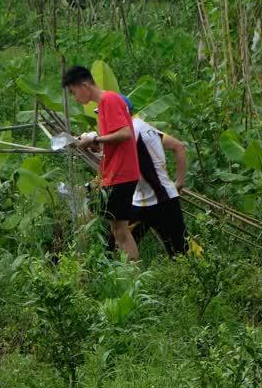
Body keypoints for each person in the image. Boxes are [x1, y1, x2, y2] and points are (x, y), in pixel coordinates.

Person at [61, 65, 141, 261]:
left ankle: (133, 276)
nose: (75, 98)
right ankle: (131, 274)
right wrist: (92, 145)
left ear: (84, 85)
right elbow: (115, 140)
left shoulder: (108, 100)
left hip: (121, 174)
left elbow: (125, 134)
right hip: (117, 172)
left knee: (120, 230)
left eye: (73, 92)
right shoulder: (105, 103)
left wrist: (94, 140)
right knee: (117, 229)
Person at [131, 115, 189, 256]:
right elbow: (179, 146)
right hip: (156, 198)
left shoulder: (131, 129)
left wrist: (94, 141)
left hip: (156, 200)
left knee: (119, 243)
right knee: (180, 252)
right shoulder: (145, 127)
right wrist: (179, 182)